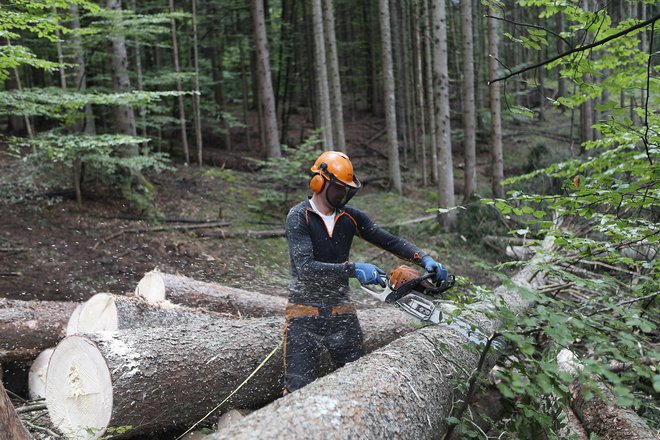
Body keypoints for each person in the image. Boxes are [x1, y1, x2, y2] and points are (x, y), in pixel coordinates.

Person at [283, 150, 448, 394]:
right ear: (319, 182)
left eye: (347, 189)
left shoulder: (351, 216)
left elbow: (389, 240)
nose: (343, 194)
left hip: (342, 312)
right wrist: (352, 269)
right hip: (304, 315)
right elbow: (306, 268)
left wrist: (423, 258)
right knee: (296, 391)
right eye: (339, 188)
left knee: (357, 386)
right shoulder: (299, 217)